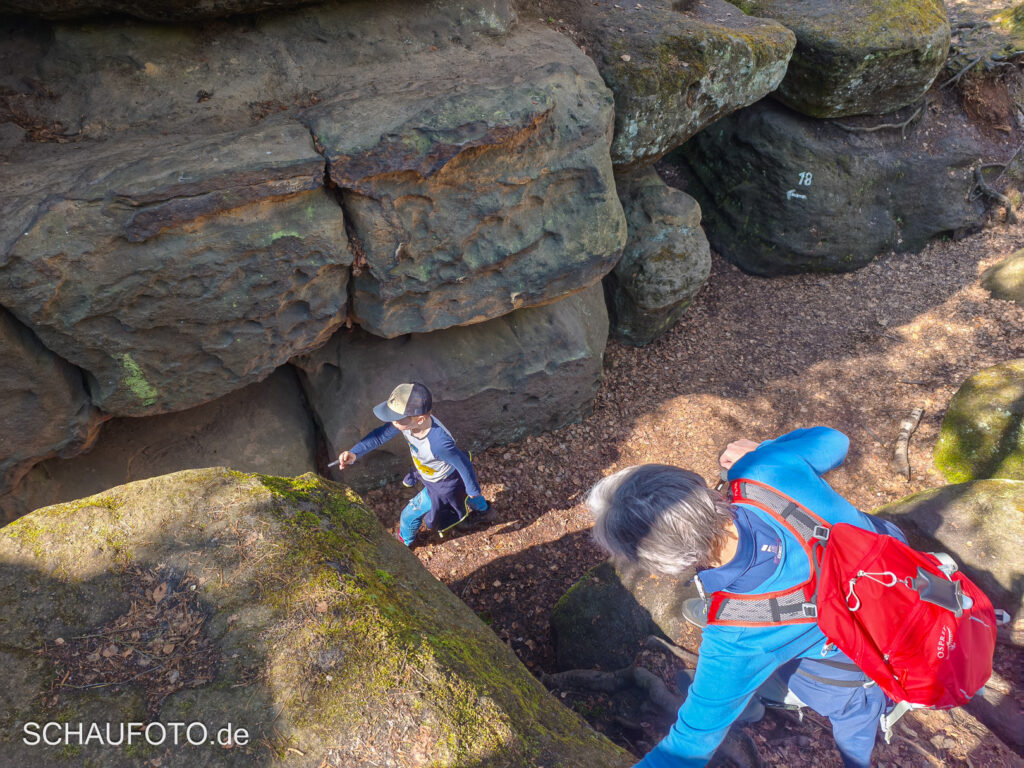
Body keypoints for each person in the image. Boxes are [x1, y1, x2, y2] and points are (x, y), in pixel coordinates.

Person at [586, 427, 908, 768]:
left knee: (853, 730)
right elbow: (836, 442)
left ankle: (736, 698)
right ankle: (739, 695)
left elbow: (689, 744)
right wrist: (765, 450)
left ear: (666, 563)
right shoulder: (764, 470)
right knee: (761, 664)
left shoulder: (736, 637)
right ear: (692, 485)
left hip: (857, 674)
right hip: (902, 578)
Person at [336, 382, 491, 546]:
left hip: (442, 484)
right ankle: (485, 511)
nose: (393, 423)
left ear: (420, 419)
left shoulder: (439, 443)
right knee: (464, 493)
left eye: (396, 419)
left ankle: (403, 543)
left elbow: (463, 464)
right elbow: (380, 436)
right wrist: (354, 453)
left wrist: (473, 489)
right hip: (436, 473)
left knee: (408, 516)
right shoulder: (408, 424)